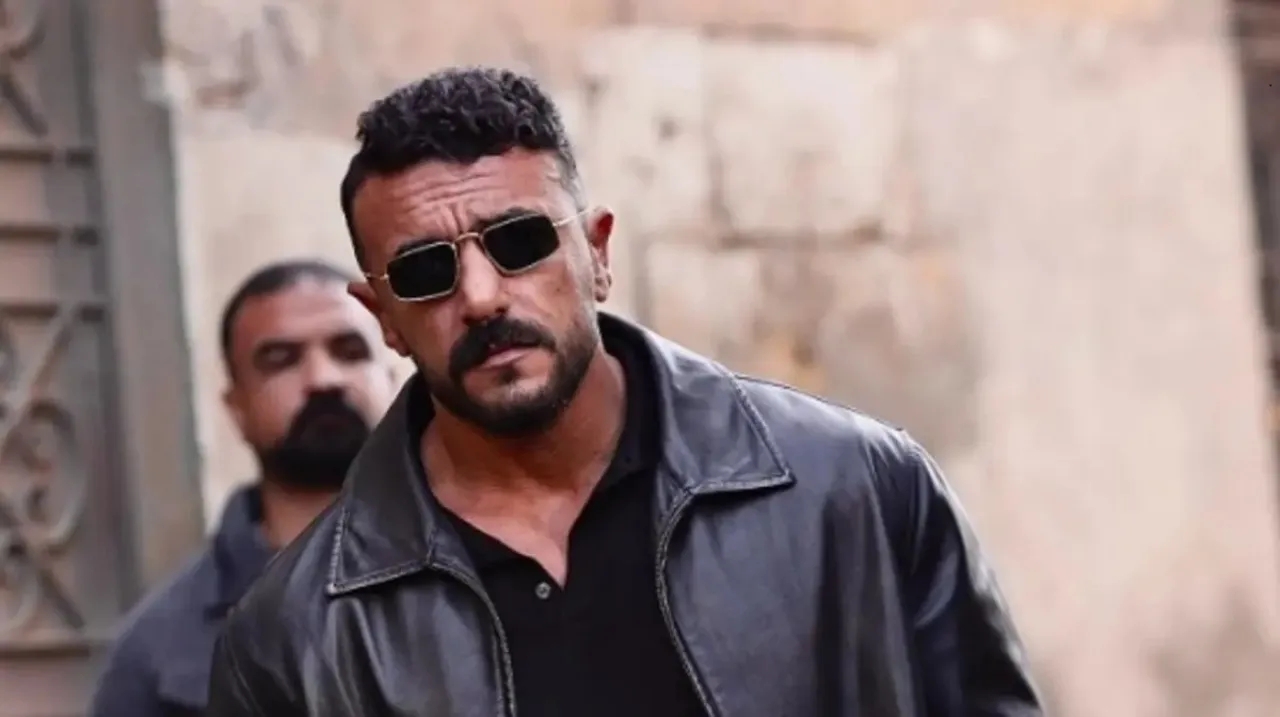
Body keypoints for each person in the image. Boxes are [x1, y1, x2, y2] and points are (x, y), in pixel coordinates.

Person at [207, 67, 1044, 717]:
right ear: (385, 317)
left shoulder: (856, 488)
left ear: (598, 253)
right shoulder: (293, 638)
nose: (483, 296)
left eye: (519, 241)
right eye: (426, 271)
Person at [88, 259, 398, 717]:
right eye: (281, 360)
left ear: (392, 379)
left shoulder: (486, 561)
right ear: (237, 408)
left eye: (349, 351)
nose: (322, 379)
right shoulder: (158, 655)